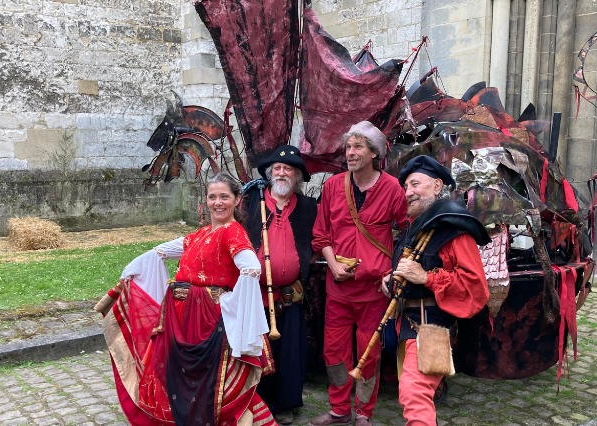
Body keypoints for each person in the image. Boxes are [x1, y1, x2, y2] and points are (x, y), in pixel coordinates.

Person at [96, 172, 277, 426]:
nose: (218, 202)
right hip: (181, 319)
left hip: (209, 321)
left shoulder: (232, 233)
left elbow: (250, 266)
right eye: (212, 197)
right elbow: (161, 251)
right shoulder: (200, 234)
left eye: (224, 196)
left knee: (213, 383)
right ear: (205, 201)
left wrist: (238, 292)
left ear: (237, 200)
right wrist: (132, 269)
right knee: (185, 379)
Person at [310, 121, 408, 426]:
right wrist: (332, 262)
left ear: (374, 152)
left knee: (369, 353)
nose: (350, 153)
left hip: (374, 291)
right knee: (334, 351)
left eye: (358, 147)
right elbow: (321, 233)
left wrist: (393, 273)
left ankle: (364, 412)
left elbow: (407, 232)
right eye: (348, 147)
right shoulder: (332, 186)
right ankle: (340, 409)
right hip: (337, 287)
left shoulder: (392, 188)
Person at [383, 155, 490, 426]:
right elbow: (412, 271)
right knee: (413, 394)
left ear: (437, 185)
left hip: (432, 328)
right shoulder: (416, 228)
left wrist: (425, 278)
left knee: (414, 394)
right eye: (406, 187)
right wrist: (392, 280)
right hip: (406, 325)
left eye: (416, 184)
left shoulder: (454, 229)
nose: (409, 192)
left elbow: (475, 286)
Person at [242, 146, 317, 425]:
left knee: (288, 353)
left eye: (288, 169)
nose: (282, 172)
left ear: (297, 176)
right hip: (255, 295)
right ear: (269, 173)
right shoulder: (251, 201)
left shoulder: (309, 208)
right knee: (257, 353)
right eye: (277, 168)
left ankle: (284, 404)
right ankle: (256, 402)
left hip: (290, 296)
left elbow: (319, 241)